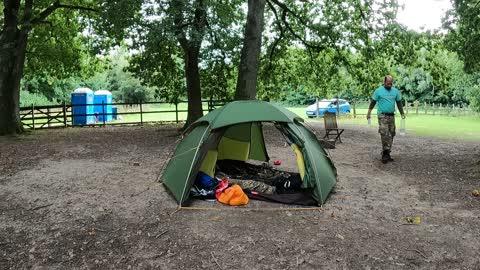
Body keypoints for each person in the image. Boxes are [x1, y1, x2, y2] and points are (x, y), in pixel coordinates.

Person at [367, 75, 405, 164]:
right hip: (382, 116)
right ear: (384, 82)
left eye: (391, 83)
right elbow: (373, 102)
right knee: (384, 133)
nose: (389, 85)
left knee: (392, 133)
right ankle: (385, 152)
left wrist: (402, 113)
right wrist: (368, 113)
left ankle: (387, 152)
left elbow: (399, 103)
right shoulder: (378, 91)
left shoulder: (395, 91)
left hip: (392, 116)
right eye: (388, 83)